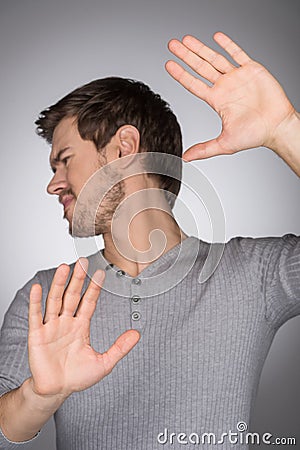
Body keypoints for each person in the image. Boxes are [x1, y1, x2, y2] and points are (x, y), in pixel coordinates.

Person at [0, 32, 299, 449]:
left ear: (124, 147)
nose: (53, 185)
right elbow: (7, 425)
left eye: (65, 160)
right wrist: (40, 394)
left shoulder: (254, 275)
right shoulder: (49, 297)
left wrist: (286, 131)